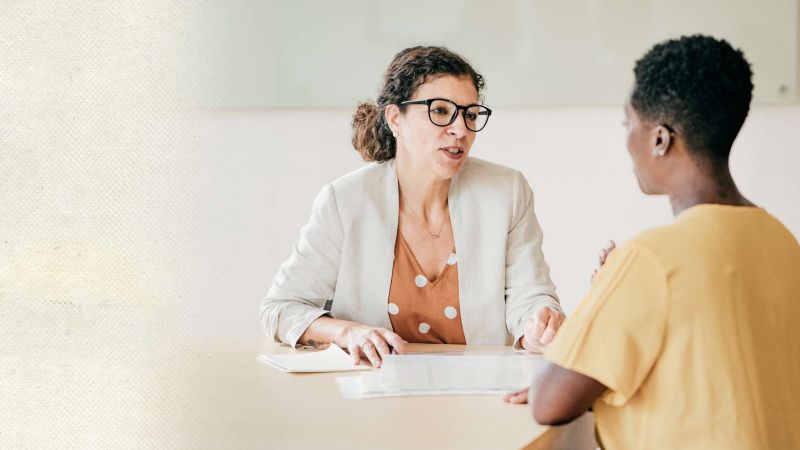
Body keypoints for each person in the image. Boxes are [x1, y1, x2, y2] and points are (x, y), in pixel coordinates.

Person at [505, 35, 800, 449]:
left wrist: (603, 296)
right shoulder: (783, 243)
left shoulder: (651, 260)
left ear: (660, 139)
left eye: (629, 125)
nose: (628, 141)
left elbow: (549, 403)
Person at [261, 46, 565, 367]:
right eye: (440, 111)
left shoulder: (506, 191)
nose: (460, 129)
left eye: (470, 114)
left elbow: (532, 295)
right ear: (395, 119)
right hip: (372, 394)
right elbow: (281, 308)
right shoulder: (345, 200)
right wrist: (347, 333)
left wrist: (537, 326)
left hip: (478, 392)